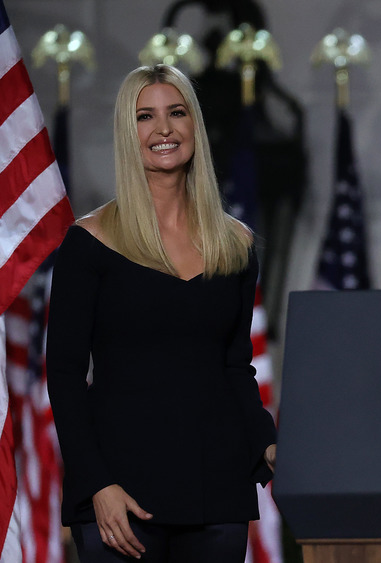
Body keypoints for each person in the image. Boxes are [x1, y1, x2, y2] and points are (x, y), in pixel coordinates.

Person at [46, 64, 277, 562]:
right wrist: (97, 485)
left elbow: (236, 367)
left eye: (177, 112)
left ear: (195, 124)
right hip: (121, 496)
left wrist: (270, 446)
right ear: (128, 134)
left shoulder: (234, 244)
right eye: (145, 117)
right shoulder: (88, 243)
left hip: (217, 490)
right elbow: (64, 375)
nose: (164, 129)